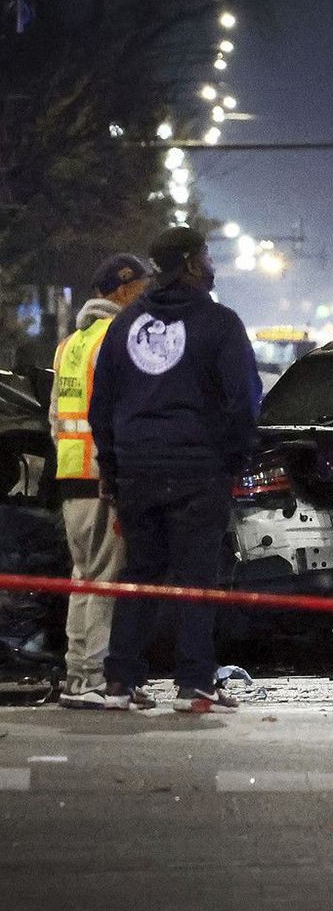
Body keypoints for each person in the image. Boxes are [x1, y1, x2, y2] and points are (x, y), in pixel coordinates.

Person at [90, 227, 262, 713]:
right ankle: (193, 683)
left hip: (138, 470)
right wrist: (234, 458)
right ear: (189, 263)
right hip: (198, 469)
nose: (211, 264)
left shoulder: (125, 324)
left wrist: (112, 464)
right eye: (205, 256)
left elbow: (101, 403)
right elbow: (243, 401)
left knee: (140, 572)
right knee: (196, 577)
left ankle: (121, 681)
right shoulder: (220, 323)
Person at [51, 253, 152, 709]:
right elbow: (125, 413)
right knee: (107, 580)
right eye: (141, 287)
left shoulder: (71, 343)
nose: (146, 295)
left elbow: (56, 416)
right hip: (104, 475)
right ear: (122, 289)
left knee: (83, 577)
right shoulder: (117, 338)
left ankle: (78, 677)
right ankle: (97, 678)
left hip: (72, 472)